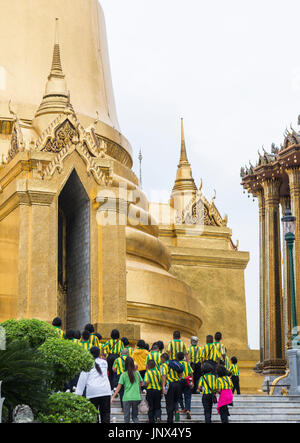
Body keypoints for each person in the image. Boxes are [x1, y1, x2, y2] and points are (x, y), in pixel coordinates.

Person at [75, 346, 111, 423]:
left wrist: (78, 394)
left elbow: (82, 380)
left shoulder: (87, 365)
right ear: (99, 354)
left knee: (94, 416)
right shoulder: (104, 363)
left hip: (93, 392)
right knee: (105, 415)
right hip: (105, 391)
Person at [111, 357, 143, 423]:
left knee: (126, 418)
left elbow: (118, 387)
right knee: (135, 417)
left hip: (126, 398)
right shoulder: (137, 373)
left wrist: (113, 397)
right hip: (136, 397)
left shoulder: (123, 375)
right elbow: (142, 383)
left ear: (125, 364)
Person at [161, 352, 183, 423]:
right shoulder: (174, 363)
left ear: (163, 359)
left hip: (169, 384)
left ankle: (170, 419)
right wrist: (178, 379)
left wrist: (163, 387)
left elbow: (163, 376)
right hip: (178, 384)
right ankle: (176, 411)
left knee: (169, 403)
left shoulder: (164, 365)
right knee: (175, 401)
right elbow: (181, 373)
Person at [177, 352, 194, 420]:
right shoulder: (186, 364)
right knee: (188, 396)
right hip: (187, 381)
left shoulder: (177, 364)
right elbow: (191, 373)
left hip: (180, 381)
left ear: (177, 358)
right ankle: (188, 410)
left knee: (179, 395)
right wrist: (192, 381)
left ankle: (183, 408)